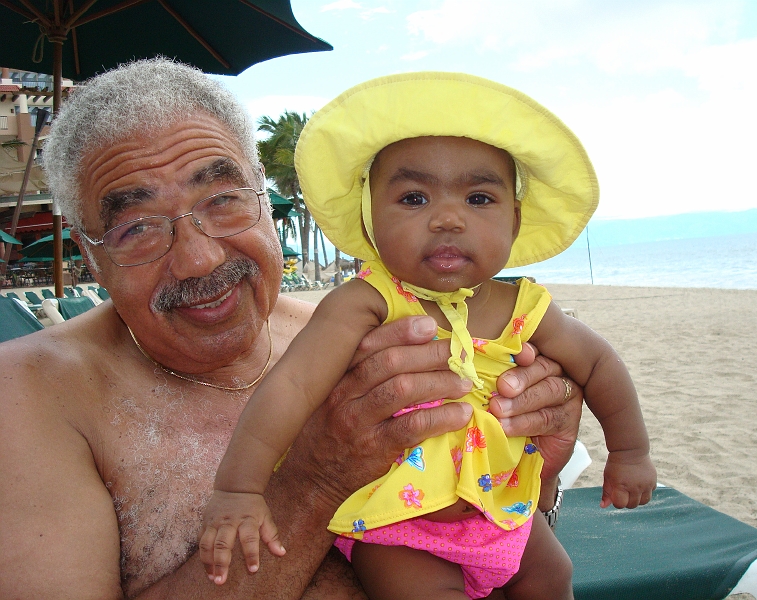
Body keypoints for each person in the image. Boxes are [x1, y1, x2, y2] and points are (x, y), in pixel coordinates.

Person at [0, 59, 584, 600]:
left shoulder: (373, 344)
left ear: (263, 195)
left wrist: (539, 477)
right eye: (136, 228)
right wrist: (312, 485)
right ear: (89, 251)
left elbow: (494, 560)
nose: (200, 259)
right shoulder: (32, 396)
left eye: (223, 199)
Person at [199, 72, 657, 599]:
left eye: (479, 199)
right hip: (397, 526)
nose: (446, 219)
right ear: (371, 223)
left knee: (554, 578)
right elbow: (291, 387)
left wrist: (629, 452)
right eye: (414, 198)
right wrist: (239, 487)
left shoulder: (525, 307)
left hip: (500, 507)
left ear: (515, 218)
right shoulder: (367, 303)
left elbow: (600, 365)